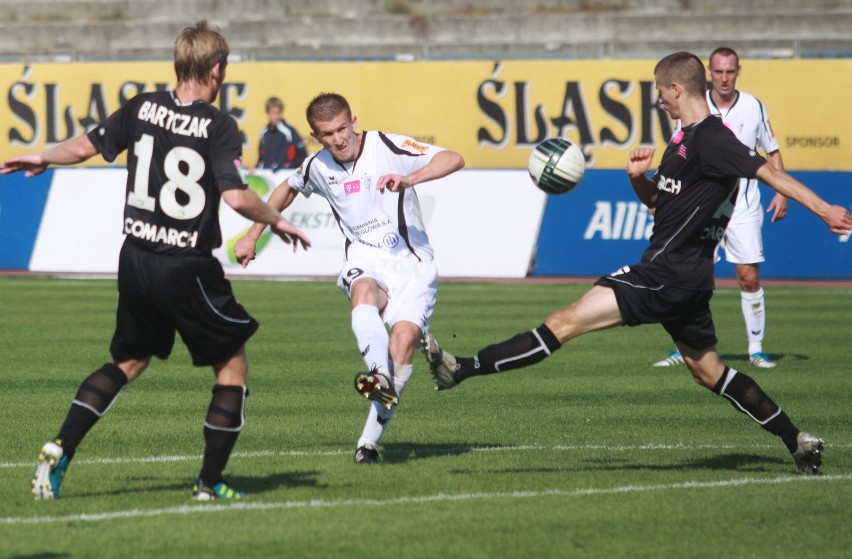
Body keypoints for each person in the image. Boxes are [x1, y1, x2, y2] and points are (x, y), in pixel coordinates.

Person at [421, 52, 851, 476]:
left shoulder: (714, 139)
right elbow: (661, 208)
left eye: (660, 91)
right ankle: (796, 440)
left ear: (677, 88)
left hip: (666, 275)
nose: (659, 99)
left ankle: (460, 369)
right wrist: (637, 179)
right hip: (687, 281)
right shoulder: (684, 140)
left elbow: (771, 174)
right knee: (709, 372)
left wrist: (824, 209)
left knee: (564, 321)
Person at [1, 21, 311, 501]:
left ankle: (60, 446)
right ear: (216, 69)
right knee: (232, 365)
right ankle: (209, 485)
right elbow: (234, 195)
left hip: (136, 257)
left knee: (127, 360)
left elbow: (84, 145)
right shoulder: (219, 125)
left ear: (175, 65)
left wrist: (42, 156)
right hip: (185, 263)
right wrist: (276, 219)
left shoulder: (143, 107)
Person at [235, 92, 465, 464]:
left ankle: (367, 443)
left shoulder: (385, 145)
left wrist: (410, 178)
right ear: (316, 136)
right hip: (365, 259)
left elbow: (453, 158)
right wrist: (251, 235)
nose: (339, 139)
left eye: (343, 128)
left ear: (354, 122)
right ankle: (378, 373)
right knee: (363, 292)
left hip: (414, 263)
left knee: (404, 342)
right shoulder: (317, 166)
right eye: (328, 134)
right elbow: (285, 191)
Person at [653, 46, 787, 369]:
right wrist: (663, 194)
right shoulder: (693, 106)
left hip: (742, 205)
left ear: (739, 71)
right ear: (709, 73)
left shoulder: (753, 107)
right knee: (691, 275)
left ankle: (755, 348)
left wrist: (781, 191)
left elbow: (771, 150)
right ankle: (683, 348)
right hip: (699, 204)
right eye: (718, 72)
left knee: (748, 275)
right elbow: (678, 148)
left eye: (730, 71)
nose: (724, 78)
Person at [255, 96, 308, 171]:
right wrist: (256, 169)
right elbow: (261, 158)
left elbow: (302, 155)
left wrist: (286, 168)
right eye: (273, 113)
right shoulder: (264, 132)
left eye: (279, 113)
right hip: (267, 175)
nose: (276, 116)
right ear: (268, 113)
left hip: (283, 175)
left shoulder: (289, 131)